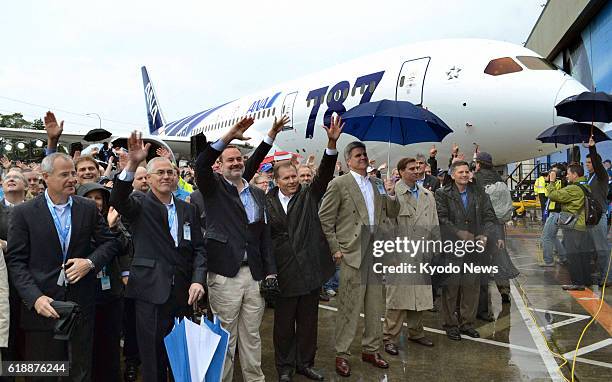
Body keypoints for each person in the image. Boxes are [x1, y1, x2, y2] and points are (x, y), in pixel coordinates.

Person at [7, 152, 119, 381]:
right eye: (64, 174)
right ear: (46, 177)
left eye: (73, 173)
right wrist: (35, 298)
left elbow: (110, 243)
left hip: (80, 306)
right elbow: (17, 262)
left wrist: (89, 263)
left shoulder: (87, 207)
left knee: (78, 372)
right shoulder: (23, 213)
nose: (72, 179)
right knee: (43, 372)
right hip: (42, 307)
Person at [195, 115, 288, 382]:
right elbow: (201, 163)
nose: (236, 163)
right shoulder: (214, 190)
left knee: (252, 336)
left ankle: (254, 379)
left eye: (239, 159)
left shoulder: (257, 194)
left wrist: (270, 273)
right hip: (225, 275)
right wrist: (229, 135)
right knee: (226, 338)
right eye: (230, 159)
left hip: (255, 276)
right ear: (219, 166)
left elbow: (263, 238)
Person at [110, 131, 207, 382]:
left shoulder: (189, 209)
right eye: (160, 173)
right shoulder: (138, 205)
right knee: (153, 358)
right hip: (150, 293)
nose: (166, 176)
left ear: (177, 176)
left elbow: (199, 248)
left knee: (180, 355)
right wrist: (133, 162)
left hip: (183, 293)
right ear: (149, 178)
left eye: (170, 172)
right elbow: (118, 198)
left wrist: (198, 280)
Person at [266, 116, 341, 381]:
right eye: (286, 178)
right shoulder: (266, 203)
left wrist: (331, 144)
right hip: (284, 274)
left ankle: (305, 363)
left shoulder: (308, 195)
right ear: (276, 181)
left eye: (294, 176)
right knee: (284, 326)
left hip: (309, 272)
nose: (291, 181)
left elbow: (323, 175)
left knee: (308, 324)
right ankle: (284, 367)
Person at [319, 141, 399, 377]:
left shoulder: (376, 184)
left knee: (375, 307)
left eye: (364, 154)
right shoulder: (339, 184)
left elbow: (391, 213)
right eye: (357, 155)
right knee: (349, 309)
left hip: (375, 252)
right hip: (352, 253)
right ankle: (342, 353)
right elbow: (325, 218)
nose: (362, 158)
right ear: (348, 161)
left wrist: (390, 191)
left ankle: (371, 349)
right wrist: (336, 248)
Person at [383, 157, 439, 356]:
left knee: (419, 297)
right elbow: (385, 225)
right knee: (397, 299)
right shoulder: (392, 193)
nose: (417, 171)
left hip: (422, 253)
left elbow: (434, 224)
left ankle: (416, 332)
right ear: (400, 171)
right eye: (411, 168)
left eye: (418, 167)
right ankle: (389, 337)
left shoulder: (427, 195)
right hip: (400, 254)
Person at [435, 160, 497, 341]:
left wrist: (485, 235)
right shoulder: (442, 194)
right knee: (451, 288)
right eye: (460, 172)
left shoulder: (479, 193)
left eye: (467, 172)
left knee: (471, 287)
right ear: (453, 175)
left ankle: (467, 324)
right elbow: (441, 218)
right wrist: (458, 232)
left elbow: (489, 216)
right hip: (452, 247)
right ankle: (451, 324)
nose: (464, 175)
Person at [472, 152, 512, 321]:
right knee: (499, 258)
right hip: (498, 226)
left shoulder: (476, 179)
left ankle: (482, 302)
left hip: (482, 225)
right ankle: (504, 291)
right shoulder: (498, 178)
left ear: (479, 164)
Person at [546, 163, 591, 290]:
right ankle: (586, 280)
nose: (566, 175)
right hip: (582, 225)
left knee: (573, 255)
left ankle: (577, 282)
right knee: (582, 255)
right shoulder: (584, 185)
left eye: (569, 173)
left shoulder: (574, 189)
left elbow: (553, 195)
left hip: (573, 225)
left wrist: (552, 182)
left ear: (575, 175)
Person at [0, 169, 28, 368]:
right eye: (7, 177)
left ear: (26, 186)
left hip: (29, 282)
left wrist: (8, 246)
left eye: (17, 177)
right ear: (2, 186)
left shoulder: (36, 210)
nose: (11, 179)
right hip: (3, 285)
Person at [585, 137, 611, 287]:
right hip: (591, 217)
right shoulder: (591, 177)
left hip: (599, 217)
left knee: (602, 249)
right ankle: (599, 274)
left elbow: (596, 163)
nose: (587, 165)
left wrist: (592, 149)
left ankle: (607, 277)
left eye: (589, 162)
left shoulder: (601, 175)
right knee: (593, 249)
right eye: (587, 162)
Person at [540, 164, 567, 266]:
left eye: (554, 172)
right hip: (554, 211)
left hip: (556, 212)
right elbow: (548, 194)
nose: (551, 173)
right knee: (553, 236)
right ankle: (563, 256)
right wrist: (549, 182)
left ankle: (548, 261)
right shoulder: (557, 182)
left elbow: (554, 195)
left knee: (546, 237)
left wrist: (552, 181)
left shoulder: (562, 183)